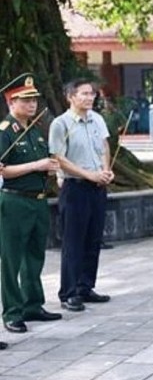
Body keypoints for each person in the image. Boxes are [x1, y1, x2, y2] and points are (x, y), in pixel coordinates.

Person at [0, 74, 62, 334]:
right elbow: (3, 170)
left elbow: (43, 161)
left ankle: (32, 304)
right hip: (14, 201)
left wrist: (49, 168)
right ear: (11, 102)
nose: (32, 104)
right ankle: (12, 312)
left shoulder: (34, 131)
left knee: (34, 256)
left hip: (38, 201)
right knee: (11, 259)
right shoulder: (5, 132)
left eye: (34, 99)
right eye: (25, 100)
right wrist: (37, 165)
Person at [49, 79, 114, 312]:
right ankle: (69, 292)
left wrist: (105, 171)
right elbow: (59, 159)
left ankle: (86, 286)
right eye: (84, 94)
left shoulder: (97, 119)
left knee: (93, 239)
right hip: (75, 187)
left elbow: (104, 147)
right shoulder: (61, 124)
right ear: (70, 96)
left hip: (98, 187)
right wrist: (88, 174)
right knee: (73, 242)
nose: (90, 97)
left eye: (92, 94)